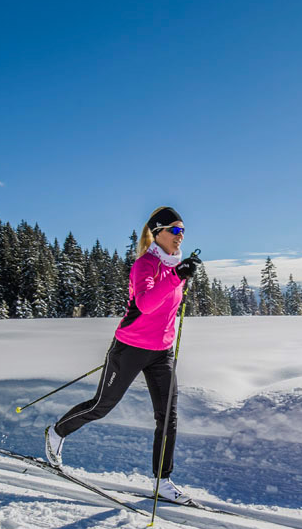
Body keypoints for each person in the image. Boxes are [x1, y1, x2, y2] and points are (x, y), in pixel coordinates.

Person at [44, 206, 199, 502]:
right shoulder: (146, 265)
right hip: (130, 347)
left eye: (183, 231)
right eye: (175, 230)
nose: (181, 236)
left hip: (161, 352)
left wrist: (180, 276)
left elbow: (168, 306)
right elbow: (146, 304)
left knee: (168, 417)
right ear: (158, 233)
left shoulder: (174, 267)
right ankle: (56, 432)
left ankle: (163, 481)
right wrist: (176, 277)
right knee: (102, 406)